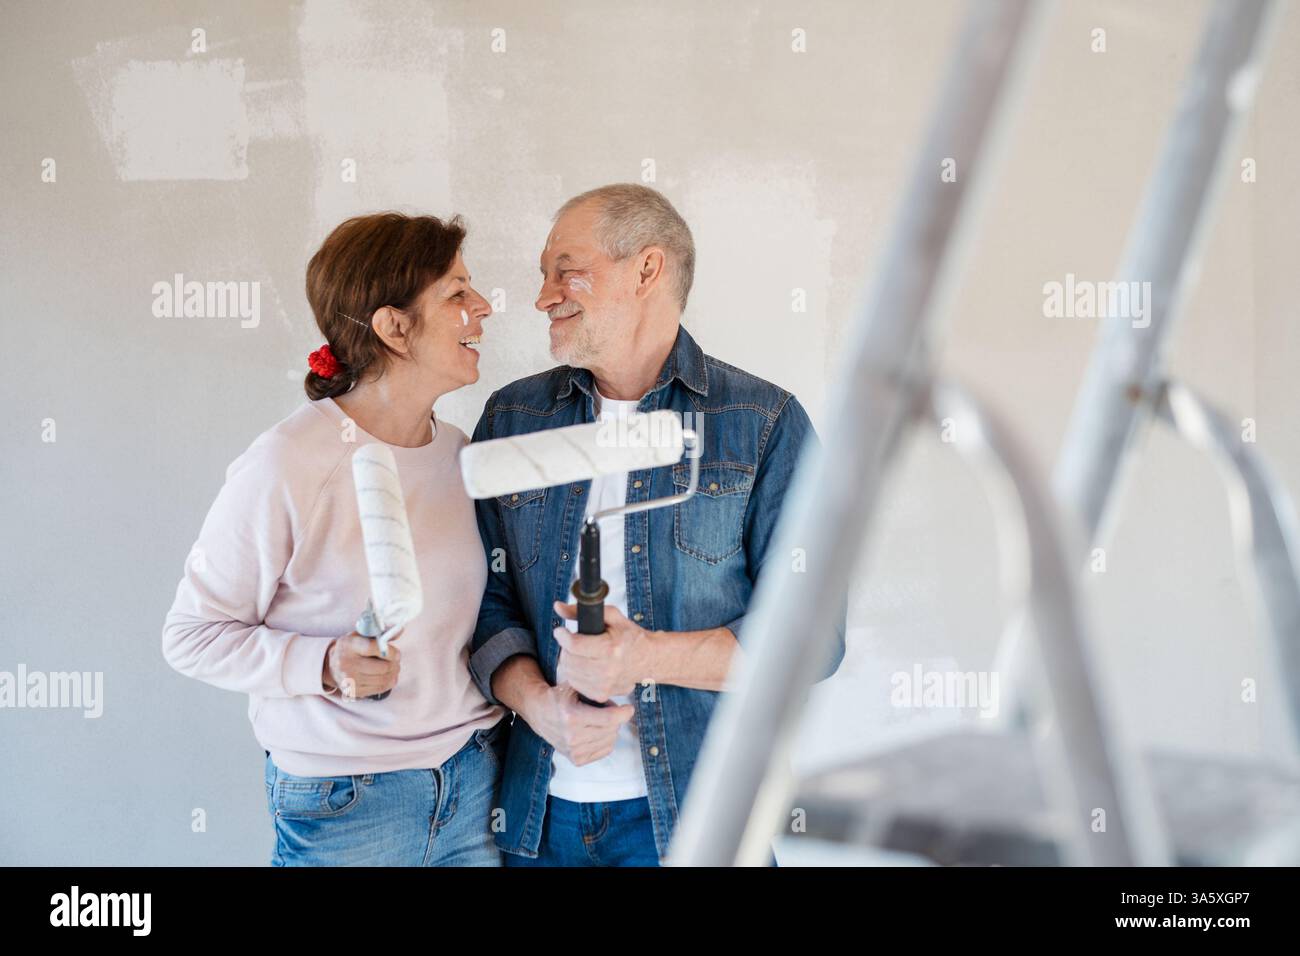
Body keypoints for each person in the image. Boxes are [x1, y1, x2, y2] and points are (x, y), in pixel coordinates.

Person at [469, 184, 845, 866]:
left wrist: (639, 656)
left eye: (565, 269)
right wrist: (538, 703)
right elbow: (487, 608)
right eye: (543, 275)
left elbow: (810, 639)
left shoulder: (760, 423)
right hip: (535, 818)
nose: (543, 295)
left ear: (646, 271)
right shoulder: (512, 421)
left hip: (698, 821)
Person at [162, 212, 507, 866]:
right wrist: (323, 665)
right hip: (348, 801)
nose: (483, 307)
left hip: (475, 781)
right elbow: (192, 635)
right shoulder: (288, 464)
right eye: (457, 293)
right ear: (393, 327)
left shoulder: (462, 456)